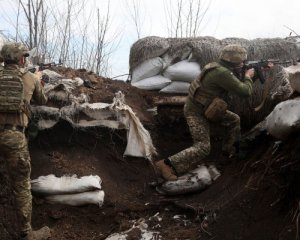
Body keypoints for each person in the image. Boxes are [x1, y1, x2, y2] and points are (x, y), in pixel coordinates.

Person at [155, 44, 256, 182]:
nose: (243, 63)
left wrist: (248, 75)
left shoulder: (216, 67)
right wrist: (248, 76)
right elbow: (245, 91)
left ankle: (228, 153)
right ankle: (166, 164)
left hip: (207, 109)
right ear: (233, 60)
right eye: (241, 61)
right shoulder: (223, 73)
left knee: (234, 120)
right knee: (203, 147)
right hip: (195, 112)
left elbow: (236, 85)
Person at [0, 42, 50, 240]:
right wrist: (38, 81)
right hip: (14, 137)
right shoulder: (29, 78)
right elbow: (42, 100)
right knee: (21, 186)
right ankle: (26, 233)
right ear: (21, 59)